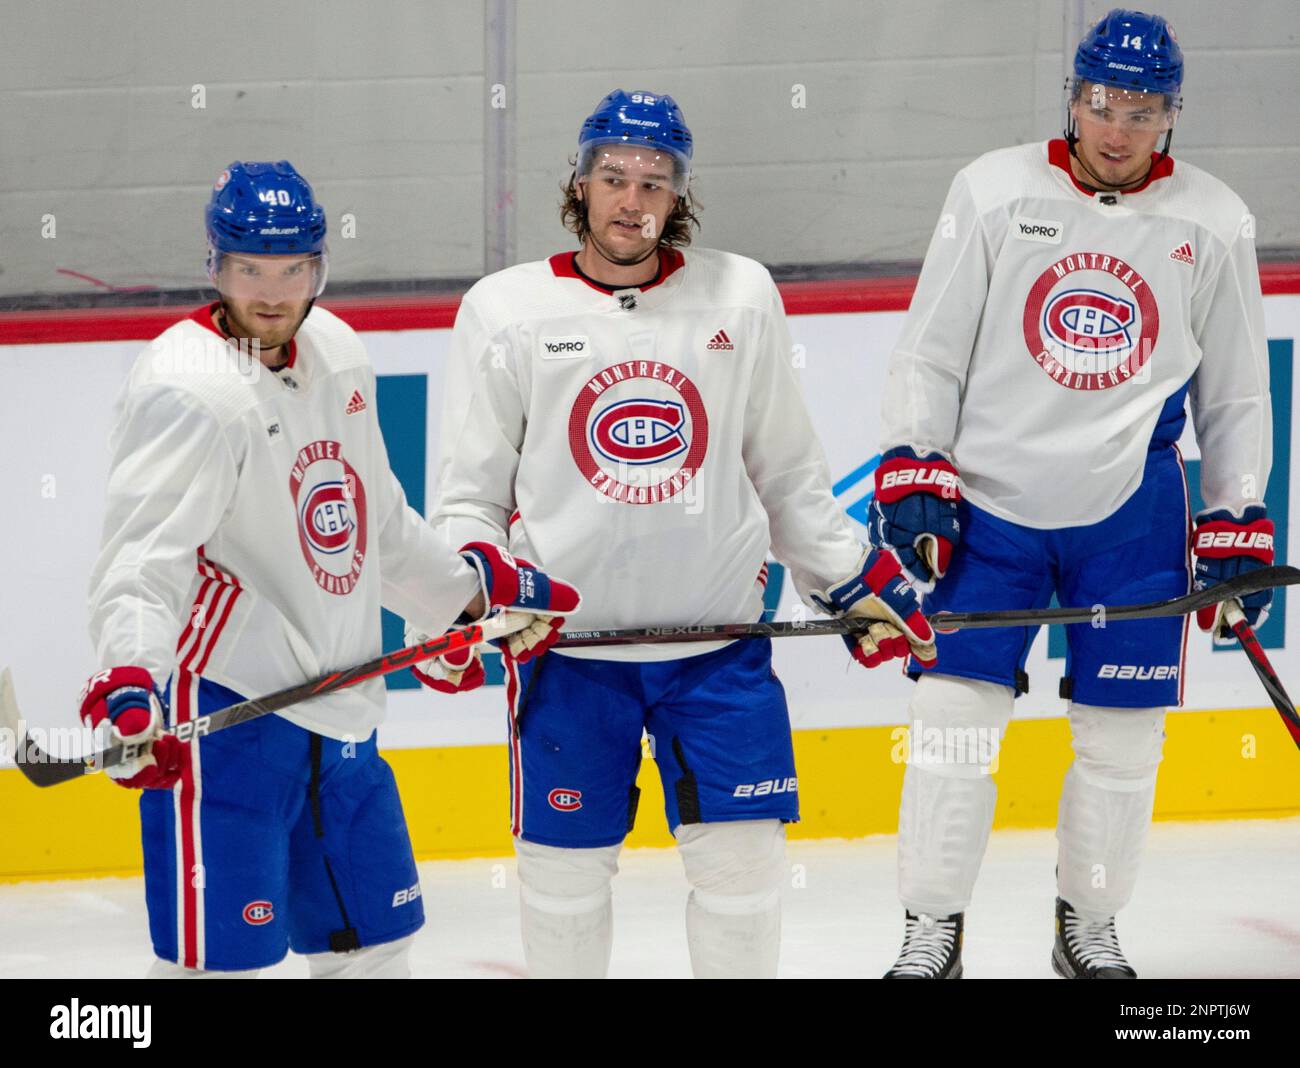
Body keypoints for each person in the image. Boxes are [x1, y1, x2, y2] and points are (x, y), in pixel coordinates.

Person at [414, 90, 936, 979]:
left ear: (678, 195)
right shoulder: (504, 310)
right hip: (570, 658)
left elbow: (790, 479)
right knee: (564, 884)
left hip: (718, 653)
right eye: (613, 178)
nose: (632, 199)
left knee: (744, 876)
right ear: (578, 185)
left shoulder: (740, 296)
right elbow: (468, 500)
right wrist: (470, 595)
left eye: (653, 182)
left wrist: (854, 583)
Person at [81, 160, 578, 978]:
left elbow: (373, 527)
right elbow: (144, 557)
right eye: (249, 270)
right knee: (220, 966)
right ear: (215, 267)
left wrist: (466, 600)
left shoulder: (338, 353)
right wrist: (130, 675)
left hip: (345, 716)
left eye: (292, 271)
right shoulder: (186, 386)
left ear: (319, 267)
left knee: (378, 946)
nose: (271, 294)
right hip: (233, 717)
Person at [871, 9, 1272, 978]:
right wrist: (916, 461)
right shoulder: (995, 190)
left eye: (1143, 109)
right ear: (1073, 100)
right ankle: (933, 928)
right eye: (1103, 103)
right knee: (952, 732)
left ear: (1170, 117)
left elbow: (1236, 390)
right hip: (987, 510)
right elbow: (930, 349)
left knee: (1122, 746)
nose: (1119, 127)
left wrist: (1234, 516)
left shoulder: (1213, 221)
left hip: (1129, 516)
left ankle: (1085, 922)